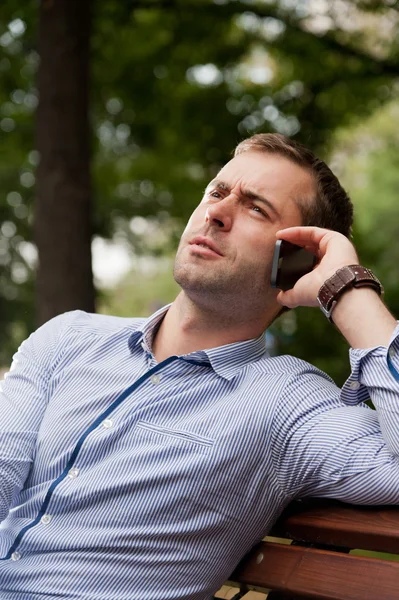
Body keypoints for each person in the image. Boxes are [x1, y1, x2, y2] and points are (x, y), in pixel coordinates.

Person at [0, 133, 398, 600]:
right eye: (216, 191)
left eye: (255, 208)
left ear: (296, 263)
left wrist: (348, 292)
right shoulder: (68, 339)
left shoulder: (287, 403)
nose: (216, 212)